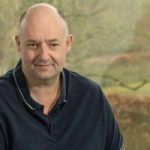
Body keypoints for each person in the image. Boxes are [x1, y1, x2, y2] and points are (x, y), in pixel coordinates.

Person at [0, 3, 124, 150]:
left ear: (68, 43)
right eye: (33, 45)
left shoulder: (92, 97)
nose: (44, 56)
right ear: (19, 44)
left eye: (53, 44)